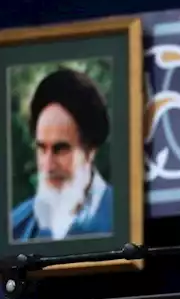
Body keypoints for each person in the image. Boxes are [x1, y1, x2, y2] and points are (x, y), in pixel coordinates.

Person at [11, 67, 113, 242]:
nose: (48, 165)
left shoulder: (124, 217)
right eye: (42, 149)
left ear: (90, 151)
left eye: (60, 149)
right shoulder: (16, 226)